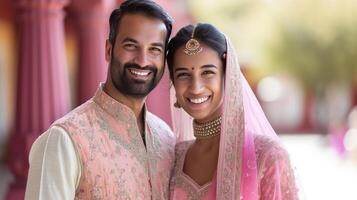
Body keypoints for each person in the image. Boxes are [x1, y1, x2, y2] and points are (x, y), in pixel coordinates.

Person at [25, 0, 175, 199]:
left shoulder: (166, 138)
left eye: (154, 50)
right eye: (131, 45)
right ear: (108, 50)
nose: (142, 60)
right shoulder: (64, 140)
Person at [167, 23, 299, 200]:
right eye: (183, 74)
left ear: (229, 78)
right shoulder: (173, 158)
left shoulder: (267, 156)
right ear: (173, 84)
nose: (196, 87)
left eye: (207, 72)